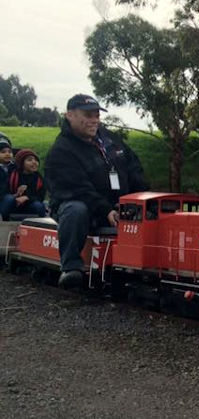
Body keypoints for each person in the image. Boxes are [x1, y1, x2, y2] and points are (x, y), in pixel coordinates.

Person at [45, 94, 148, 288]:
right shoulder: (61, 151)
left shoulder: (109, 138)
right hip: (83, 207)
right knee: (76, 209)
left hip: (117, 205)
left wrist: (140, 197)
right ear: (70, 115)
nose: (94, 120)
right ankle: (71, 267)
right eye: (87, 115)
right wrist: (106, 210)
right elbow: (78, 189)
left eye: (96, 115)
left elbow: (133, 166)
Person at [8, 149, 48, 217]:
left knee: (39, 206)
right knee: (8, 200)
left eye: (36, 160)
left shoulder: (39, 178)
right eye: (29, 160)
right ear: (21, 163)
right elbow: (5, 192)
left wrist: (27, 197)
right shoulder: (13, 175)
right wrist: (16, 195)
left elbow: (40, 196)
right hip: (15, 203)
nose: (34, 162)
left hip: (30, 204)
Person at [0, 136, 16, 220]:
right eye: (3, 152)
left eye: (9, 152)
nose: (7, 154)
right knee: (9, 199)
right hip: (3, 197)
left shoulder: (16, 167)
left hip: (14, 196)